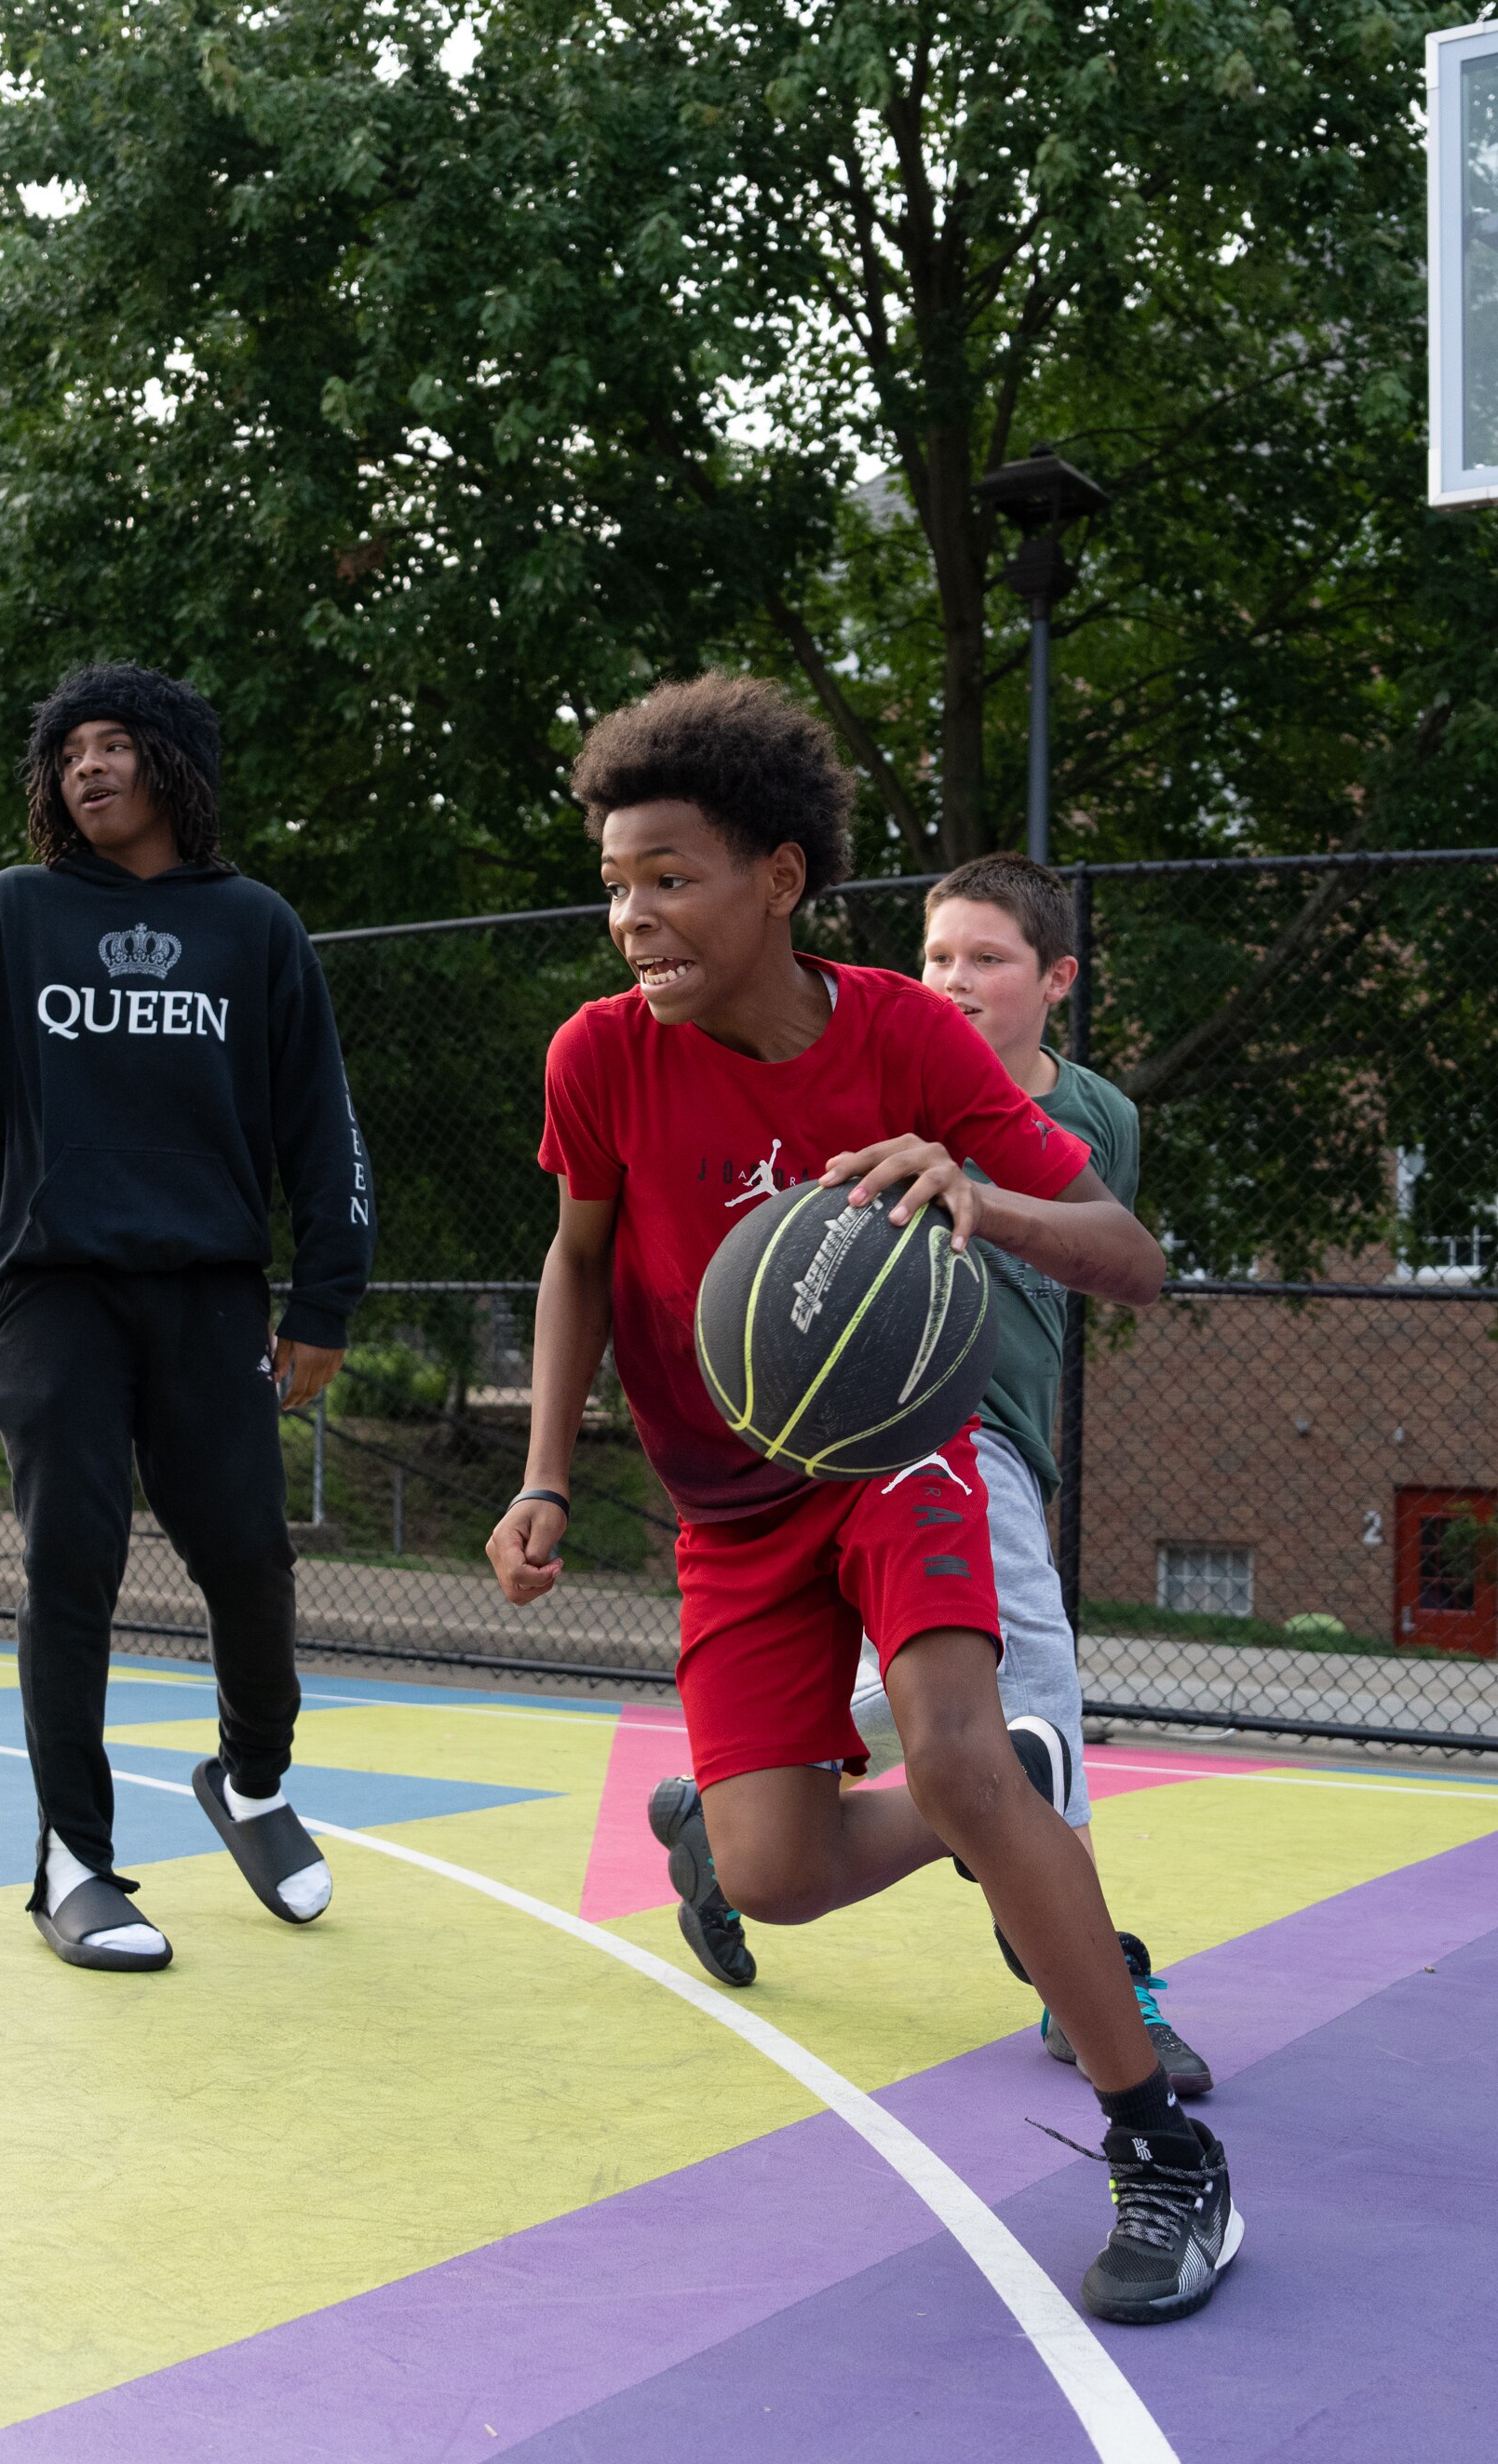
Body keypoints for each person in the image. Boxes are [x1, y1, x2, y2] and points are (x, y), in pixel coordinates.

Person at [484, 674, 1243, 2327]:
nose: (633, 917)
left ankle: (1160, 2150)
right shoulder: (600, 1058)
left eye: (669, 876)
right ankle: (990, 1790)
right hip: (729, 1510)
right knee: (771, 1872)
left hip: (899, 1452)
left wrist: (980, 1191)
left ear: (778, 875)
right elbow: (575, 1259)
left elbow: (1135, 1262)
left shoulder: (904, 1036)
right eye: (616, 882)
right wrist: (546, 1471)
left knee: (962, 1759)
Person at [0, 662, 373, 1973]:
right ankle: (75, 1863)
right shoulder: (11, 915)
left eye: (117, 744)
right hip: (56, 1295)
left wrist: (327, 1297)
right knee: (68, 1567)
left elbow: (323, 1130)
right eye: (68, 750)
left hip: (211, 1296)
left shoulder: (257, 928)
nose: (87, 767)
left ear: (173, 762)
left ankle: (250, 1782)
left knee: (249, 1557)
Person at [840, 855, 1213, 2097]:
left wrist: (995, 1202)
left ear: (1054, 979)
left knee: (920, 1687)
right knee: (1038, 1680)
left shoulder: (1102, 1119)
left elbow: (1104, 1258)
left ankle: (713, 1797)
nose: (950, 981)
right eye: (935, 957)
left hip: (1011, 1430)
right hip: (915, 1420)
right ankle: (1087, 1974)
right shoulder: (885, 1085)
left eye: (984, 959)